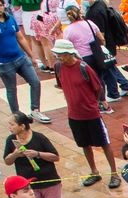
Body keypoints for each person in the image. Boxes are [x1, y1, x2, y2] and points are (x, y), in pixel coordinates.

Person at [50, 39, 117, 187]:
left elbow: (98, 87)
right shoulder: (58, 67)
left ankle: (114, 173)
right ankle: (94, 172)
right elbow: (60, 84)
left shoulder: (83, 67)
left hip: (91, 114)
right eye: (57, 54)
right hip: (74, 115)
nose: (59, 57)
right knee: (84, 144)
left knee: (104, 143)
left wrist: (93, 102)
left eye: (61, 54)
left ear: (69, 53)